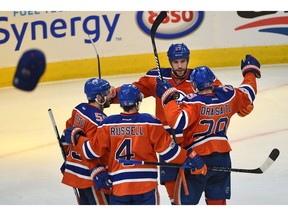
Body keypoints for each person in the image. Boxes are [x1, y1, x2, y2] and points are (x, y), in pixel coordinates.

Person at [112, 43, 254, 204]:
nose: (180, 66)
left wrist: (244, 107)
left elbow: (221, 101)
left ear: (188, 60)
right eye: (176, 62)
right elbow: (133, 92)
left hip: (193, 142)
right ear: (170, 61)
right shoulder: (155, 78)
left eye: (183, 61)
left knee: (194, 193)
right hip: (169, 145)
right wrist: (111, 95)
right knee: (175, 193)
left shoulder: (200, 78)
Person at [64, 84, 206, 205]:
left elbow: (91, 152)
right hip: (145, 186)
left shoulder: (107, 124)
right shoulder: (150, 122)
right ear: (138, 101)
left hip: (119, 187)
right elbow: (169, 153)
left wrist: (77, 137)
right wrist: (189, 157)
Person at [155, 54, 261, 205]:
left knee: (183, 205)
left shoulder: (193, 102)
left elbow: (178, 121)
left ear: (193, 85)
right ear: (212, 82)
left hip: (197, 159)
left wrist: (168, 98)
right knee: (217, 202)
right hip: (223, 158)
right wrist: (250, 73)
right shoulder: (228, 96)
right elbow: (248, 93)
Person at [60, 77, 115, 205]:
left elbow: (66, 135)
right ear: (98, 98)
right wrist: (97, 170)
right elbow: (92, 150)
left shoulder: (79, 109)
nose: (111, 96)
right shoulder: (99, 121)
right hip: (90, 176)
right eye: (107, 93)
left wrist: (68, 158)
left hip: (76, 172)